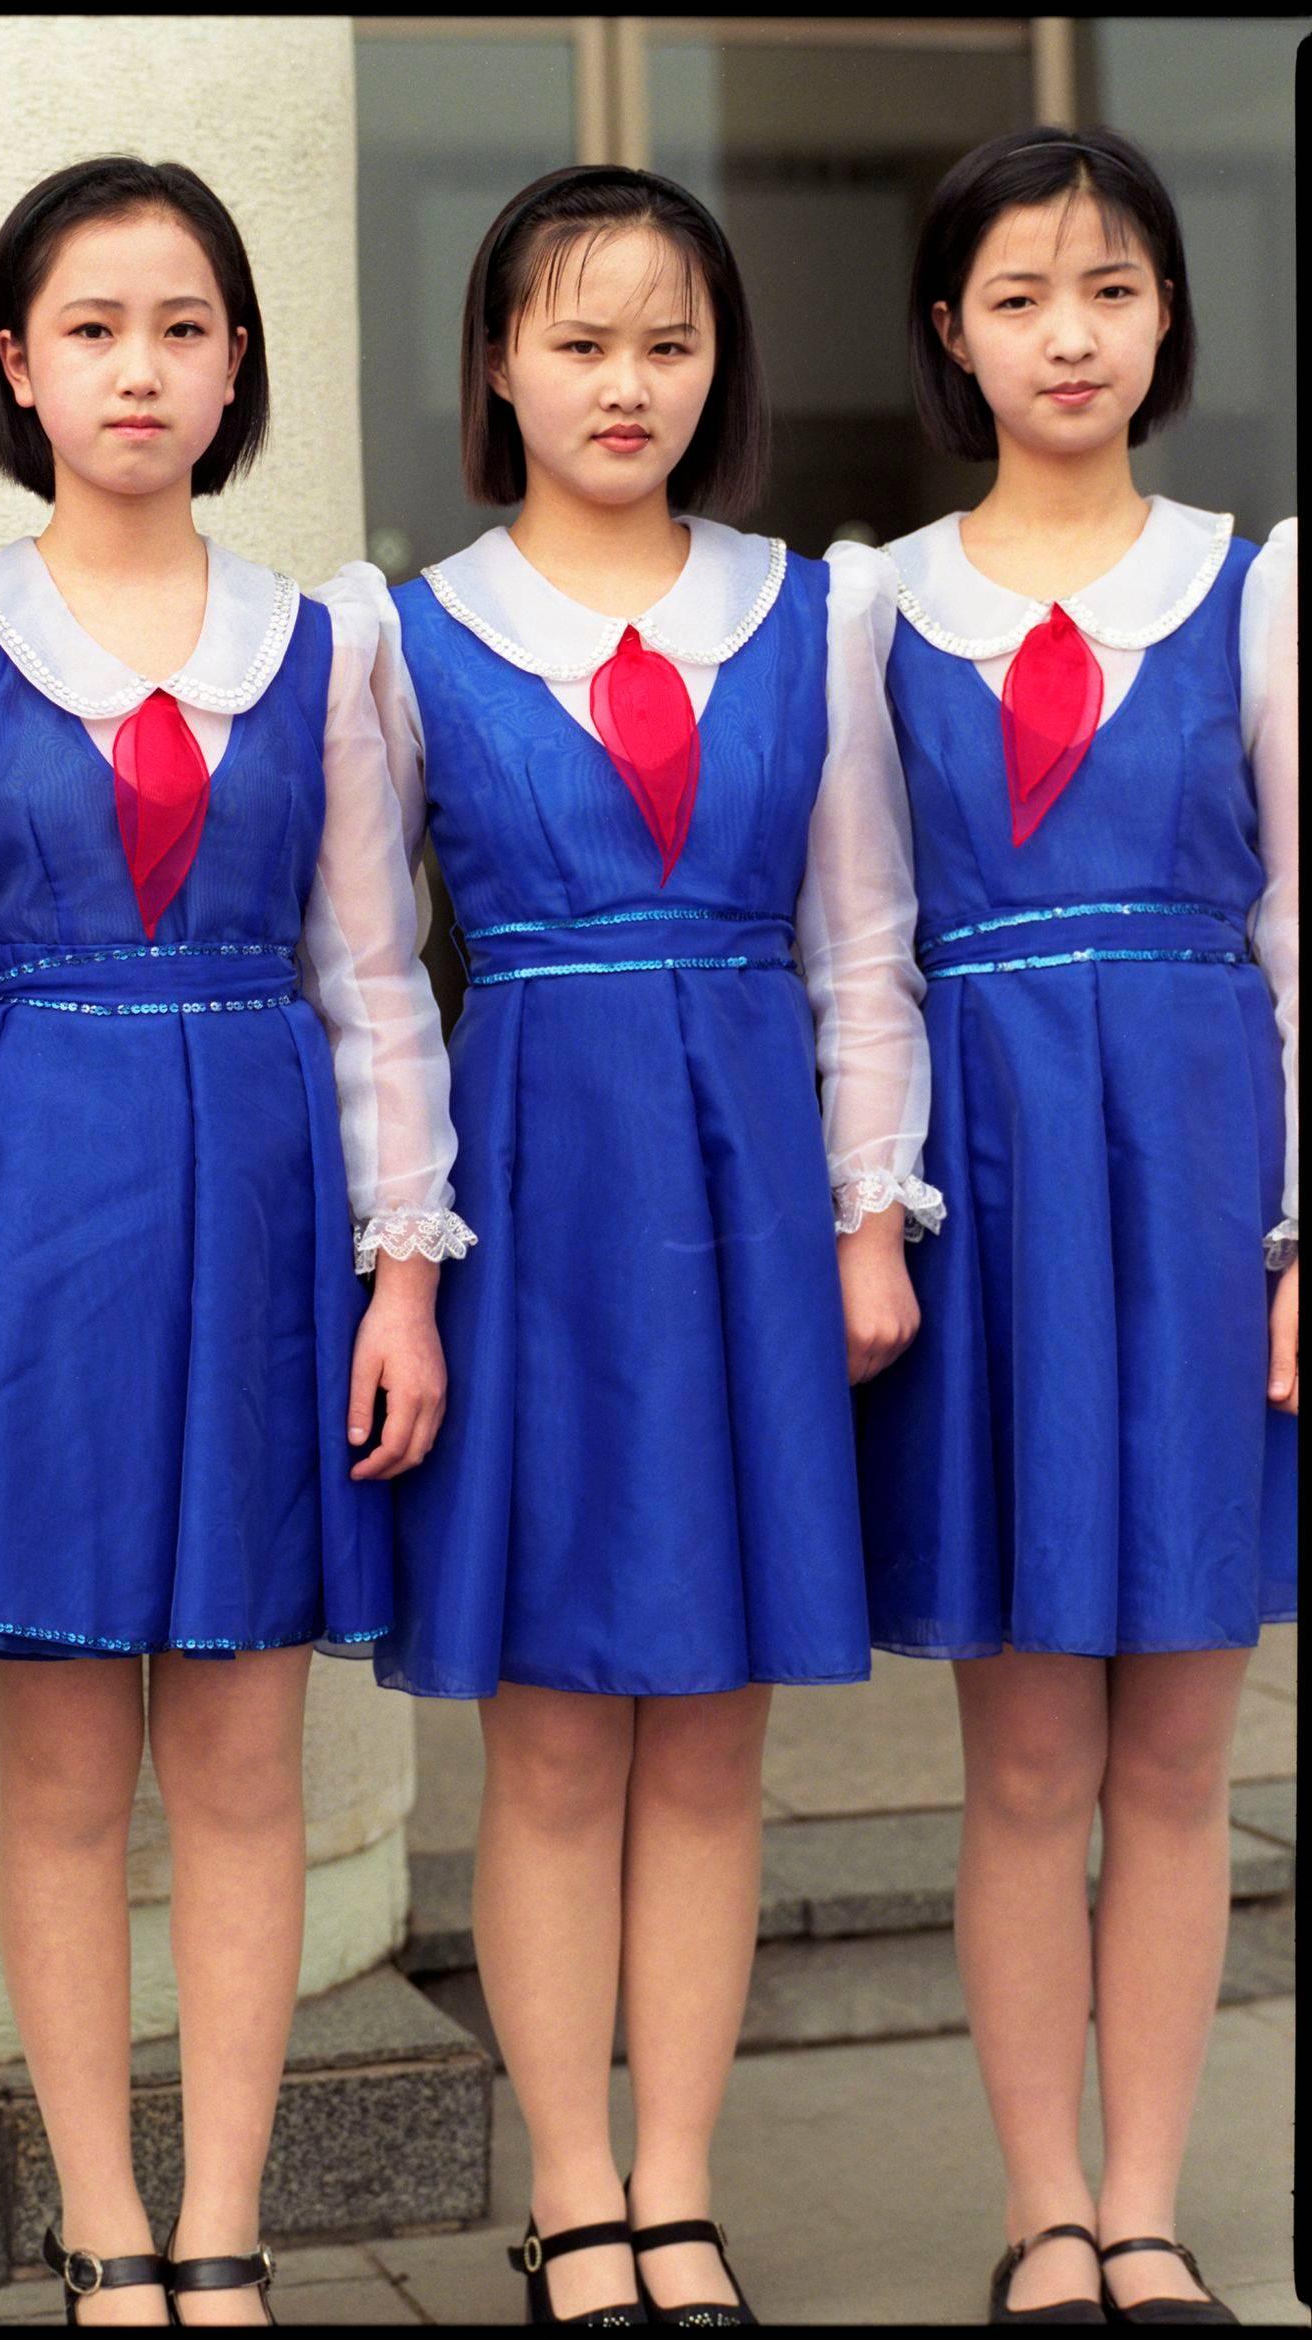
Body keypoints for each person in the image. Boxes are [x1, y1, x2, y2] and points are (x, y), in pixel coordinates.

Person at [0, 155, 468, 2326]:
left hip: (277, 1202)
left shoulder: (328, 644)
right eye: (91, 327)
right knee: (63, 1759)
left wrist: (406, 1268)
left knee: (240, 1751)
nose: (138, 366)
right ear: (15, 364)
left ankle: (226, 2228)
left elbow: (374, 978)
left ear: (236, 365)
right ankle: (104, 2225)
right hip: (47, 1229)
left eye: (182, 324)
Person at [361, 163, 936, 2326]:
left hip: (744, 1206)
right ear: (497, 360)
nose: (626, 385)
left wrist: (866, 1214)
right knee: (546, 1727)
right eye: (580, 341)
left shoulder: (819, 612)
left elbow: (862, 943)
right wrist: (401, 1251)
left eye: (669, 344)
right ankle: (572, 2192)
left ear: (722, 369)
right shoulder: (401, 636)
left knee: (707, 1727)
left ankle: (678, 2190)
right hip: (526, 1195)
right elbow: (372, 981)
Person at [848, 126, 1295, 2327]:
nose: (1068, 335)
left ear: (1162, 319)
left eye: (1108, 290)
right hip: (996, 1188)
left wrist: (1305, 1236)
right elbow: (853, 945)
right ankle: (1040, 2214)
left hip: (1204, 1185)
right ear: (950, 331)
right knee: (1025, 1751)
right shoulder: (872, 608)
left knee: (1184, 1743)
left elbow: (1307, 922)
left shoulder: (1262, 583)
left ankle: (1149, 2205)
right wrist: (877, 1212)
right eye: (1018, 297)